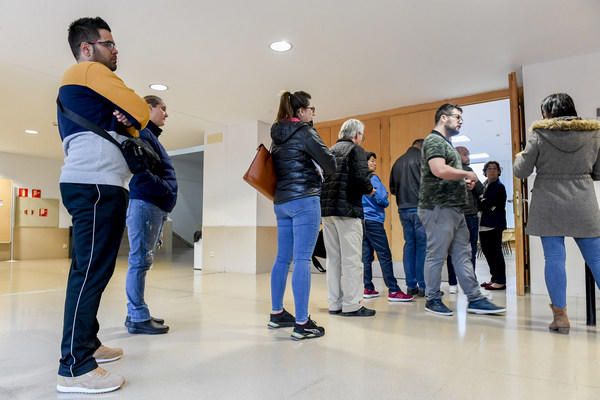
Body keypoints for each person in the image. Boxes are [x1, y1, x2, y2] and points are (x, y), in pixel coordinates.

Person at [56, 17, 149, 393]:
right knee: (89, 274)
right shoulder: (85, 71)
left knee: (93, 270)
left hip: (99, 184)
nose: (115, 51)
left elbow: (129, 124)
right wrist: (128, 119)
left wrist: (125, 122)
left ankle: (88, 343)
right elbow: (140, 112)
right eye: (109, 44)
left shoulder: (85, 83)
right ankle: (74, 367)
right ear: (86, 48)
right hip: (94, 185)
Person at [514, 93, 600, 334]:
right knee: (597, 259)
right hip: (583, 202)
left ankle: (560, 317)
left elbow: (521, 171)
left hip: (548, 203)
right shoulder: (593, 134)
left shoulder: (539, 134)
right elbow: (598, 172)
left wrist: (520, 156)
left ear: (548, 113)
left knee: (554, 259)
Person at [418, 104, 505, 316]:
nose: (460, 121)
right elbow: (438, 169)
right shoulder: (434, 141)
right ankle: (432, 299)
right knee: (436, 255)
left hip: (456, 210)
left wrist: (462, 182)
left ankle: (475, 298)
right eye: (457, 117)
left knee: (463, 255)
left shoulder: (447, 144)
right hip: (438, 208)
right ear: (443, 118)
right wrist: (467, 175)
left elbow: (447, 173)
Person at [268, 91, 336, 340]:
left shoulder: (277, 136)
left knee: (282, 259)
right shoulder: (306, 132)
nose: (313, 113)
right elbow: (330, 163)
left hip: (281, 202)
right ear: (301, 112)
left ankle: (277, 314)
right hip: (304, 200)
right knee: (303, 259)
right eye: (311, 109)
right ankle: (302, 322)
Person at [124, 95, 177, 334]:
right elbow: (141, 170)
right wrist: (165, 189)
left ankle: (136, 313)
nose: (166, 113)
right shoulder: (142, 133)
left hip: (152, 205)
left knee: (142, 261)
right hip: (146, 204)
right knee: (139, 261)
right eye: (162, 109)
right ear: (148, 108)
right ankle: (137, 316)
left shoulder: (150, 136)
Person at [321, 119, 377, 317]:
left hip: (327, 212)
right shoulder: (356, 150)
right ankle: (352, 304)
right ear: (356, 135)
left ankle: (334, 303)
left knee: (333, 260)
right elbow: (361, 179)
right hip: (348, 211)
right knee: (352, 260)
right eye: (361, 135)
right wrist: (370, 190)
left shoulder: (329, 150)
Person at [362, 152, 413, 302]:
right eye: (371, 161)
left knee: (366, 257)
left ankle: (368, 287)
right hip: (374, 221)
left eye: (375, 161)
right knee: (384, 255)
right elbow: (383, 200)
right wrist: (382, 197)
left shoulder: (358, 180)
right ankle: (393, 290)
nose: (374, 164)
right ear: (364, 163)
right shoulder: (373, 178)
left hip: (362, 221)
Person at [390, 139, 427, 297]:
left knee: (410, 244)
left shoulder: (398, 162)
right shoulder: (423, 160)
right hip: (421, 208)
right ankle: (424, 286)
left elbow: (392, 189)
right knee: (423, 246)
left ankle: (411, 285)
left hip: (403, 209)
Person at [446, 146, 483, 294]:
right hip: (469, 215)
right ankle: (470, 281)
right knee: (470, 250)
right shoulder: (468, 171)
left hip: (452, 215)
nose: (468, 157)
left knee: (452, 250)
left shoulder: (446, 171)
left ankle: (452, 283)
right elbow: (480, 190)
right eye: (466, 154)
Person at [478, 161, 507, 290]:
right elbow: (483, 204)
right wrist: (484, 203)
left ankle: (500, 280)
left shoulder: (499, 187)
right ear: (485, 172)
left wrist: (484, 203)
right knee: (487, 252)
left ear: (499, 171)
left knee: (496, 252)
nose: (492, 171)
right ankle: (494, 278)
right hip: (483, 224)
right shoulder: (484, 185)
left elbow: (491, 205)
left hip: (494, 225)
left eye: (495, 169)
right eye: (489, 169)